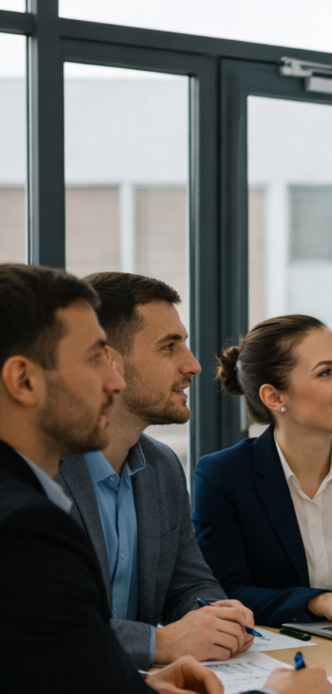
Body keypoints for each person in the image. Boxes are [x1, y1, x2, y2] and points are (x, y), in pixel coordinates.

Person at [0, 263, 332, 694]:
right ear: (24, 380)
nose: (115, 379)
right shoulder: (25, 525)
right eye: (97, 357)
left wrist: (143, 682)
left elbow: (37, 664)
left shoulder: (144, 471)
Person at [57, 273, 252, 669]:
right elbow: (45, 624)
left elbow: (189, 582)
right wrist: (158, 642)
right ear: (107, 358)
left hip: (143, 693)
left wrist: (216, 615)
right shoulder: (40, 472)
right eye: (169, 347)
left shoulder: (162, 467)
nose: (194, 365)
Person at [192, 314, 332, 629]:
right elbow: (225, 593)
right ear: (274, 397)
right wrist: (321, 602)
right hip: (277, 653)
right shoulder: (222, 475)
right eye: (326, 372)